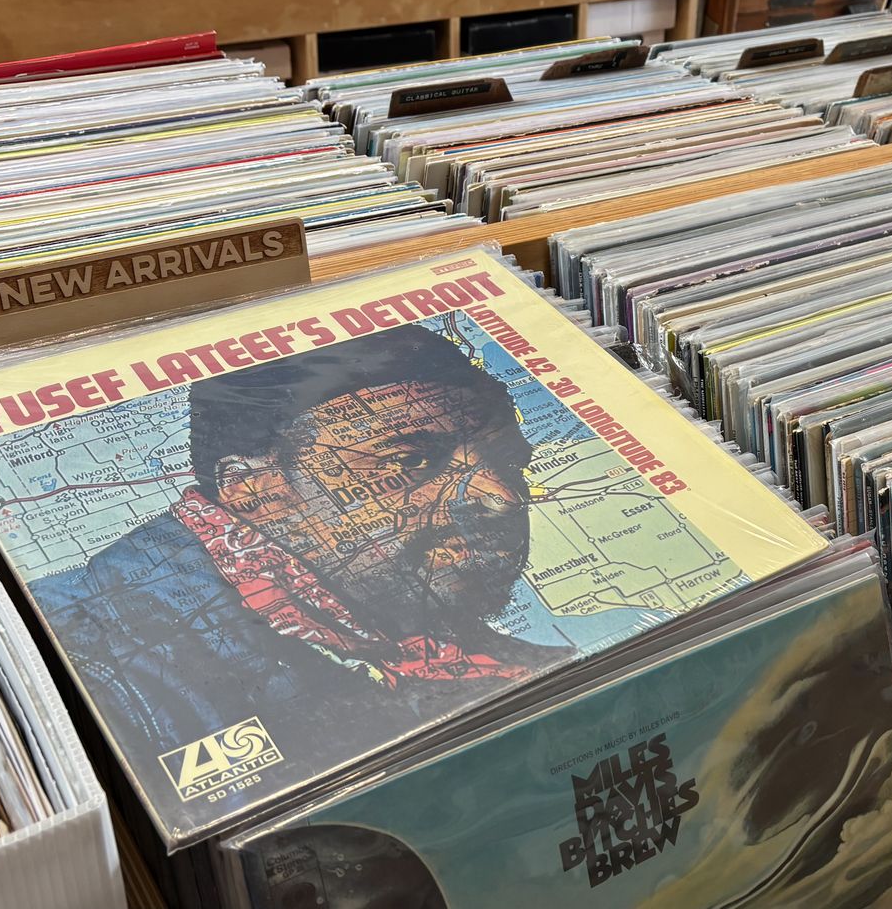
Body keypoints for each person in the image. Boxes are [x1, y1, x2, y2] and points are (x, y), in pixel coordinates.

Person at [32, 324, 568, 809]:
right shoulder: (70, 659)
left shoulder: (465, 653)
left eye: (509, 462)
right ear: (251, 489)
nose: (502, 497)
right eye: (411, 461)